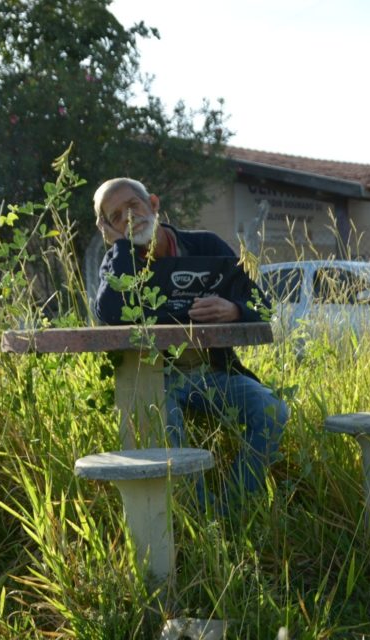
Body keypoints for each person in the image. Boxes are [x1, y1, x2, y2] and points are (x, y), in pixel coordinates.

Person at [93, 177, 288, 511]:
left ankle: (234, 506)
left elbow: (263, 305)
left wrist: (235, 309)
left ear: (153, 203)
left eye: (133, 206)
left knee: (272, 410)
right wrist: (121, 247)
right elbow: (108, 313)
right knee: (164, 424)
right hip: (157, 379)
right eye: (115, 217)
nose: (128, 218)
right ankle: (200, 513)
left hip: (214, 373)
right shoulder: (119, 260)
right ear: (108, 229)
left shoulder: (205, 246)